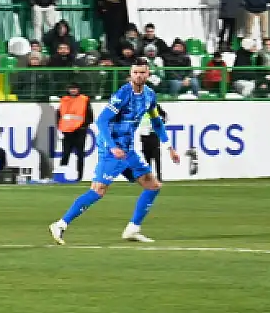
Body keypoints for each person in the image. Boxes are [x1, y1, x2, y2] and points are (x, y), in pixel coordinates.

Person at [50, 61, 181, 246]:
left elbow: (157, 122)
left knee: (153, 186)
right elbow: (102, 121)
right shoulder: (122, 94)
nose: (139, 76)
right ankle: (60, 224)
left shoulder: (149, 95)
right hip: (112, 151)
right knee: (98, 191)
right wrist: (112, 146)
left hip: (127, 150)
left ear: (148, 73)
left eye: (142, 72)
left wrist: (169, 147)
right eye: (135, 72)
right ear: (131, 74)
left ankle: (133, 228)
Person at [56, 82, 92, 181]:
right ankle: (61, 175)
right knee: (65, 154)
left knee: (80, 154)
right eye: (71, 88)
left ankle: (79, 176)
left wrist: (84, 126)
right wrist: (60, 128)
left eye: (75, 88)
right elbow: (59, 115)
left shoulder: (84, 99)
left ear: (78, 89)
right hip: (67, 131)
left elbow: (89, 115)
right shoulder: (64, 100)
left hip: (80, 130)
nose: (73, 90)